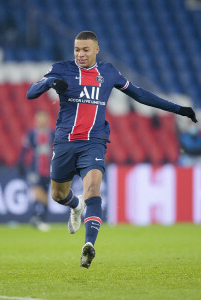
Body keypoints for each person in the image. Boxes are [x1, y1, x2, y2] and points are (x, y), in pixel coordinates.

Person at [26, 31, 198, 268]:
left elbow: (139, 94)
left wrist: (178, 109)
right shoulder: (62, 69)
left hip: (94, 143)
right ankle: (76, 205)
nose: (80, 54)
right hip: (65, 143)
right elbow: (31, 93)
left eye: (85, 50)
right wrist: (49, 82)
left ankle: (89, 245)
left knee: (93, 188)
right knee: (57, 195)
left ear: (96, 50)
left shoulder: (108, 73)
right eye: (77, 49)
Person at [18, 110, 54, 232]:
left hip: (48, 170)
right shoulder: (32, 134)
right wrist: (21, 164)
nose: (41, 120)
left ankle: (41, 219)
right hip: (35, 170)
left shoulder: (52, 133)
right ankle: (35, 217)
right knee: (37, 192)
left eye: (43, 118)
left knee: (45, 195)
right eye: (39, 118)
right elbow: (24, 149)